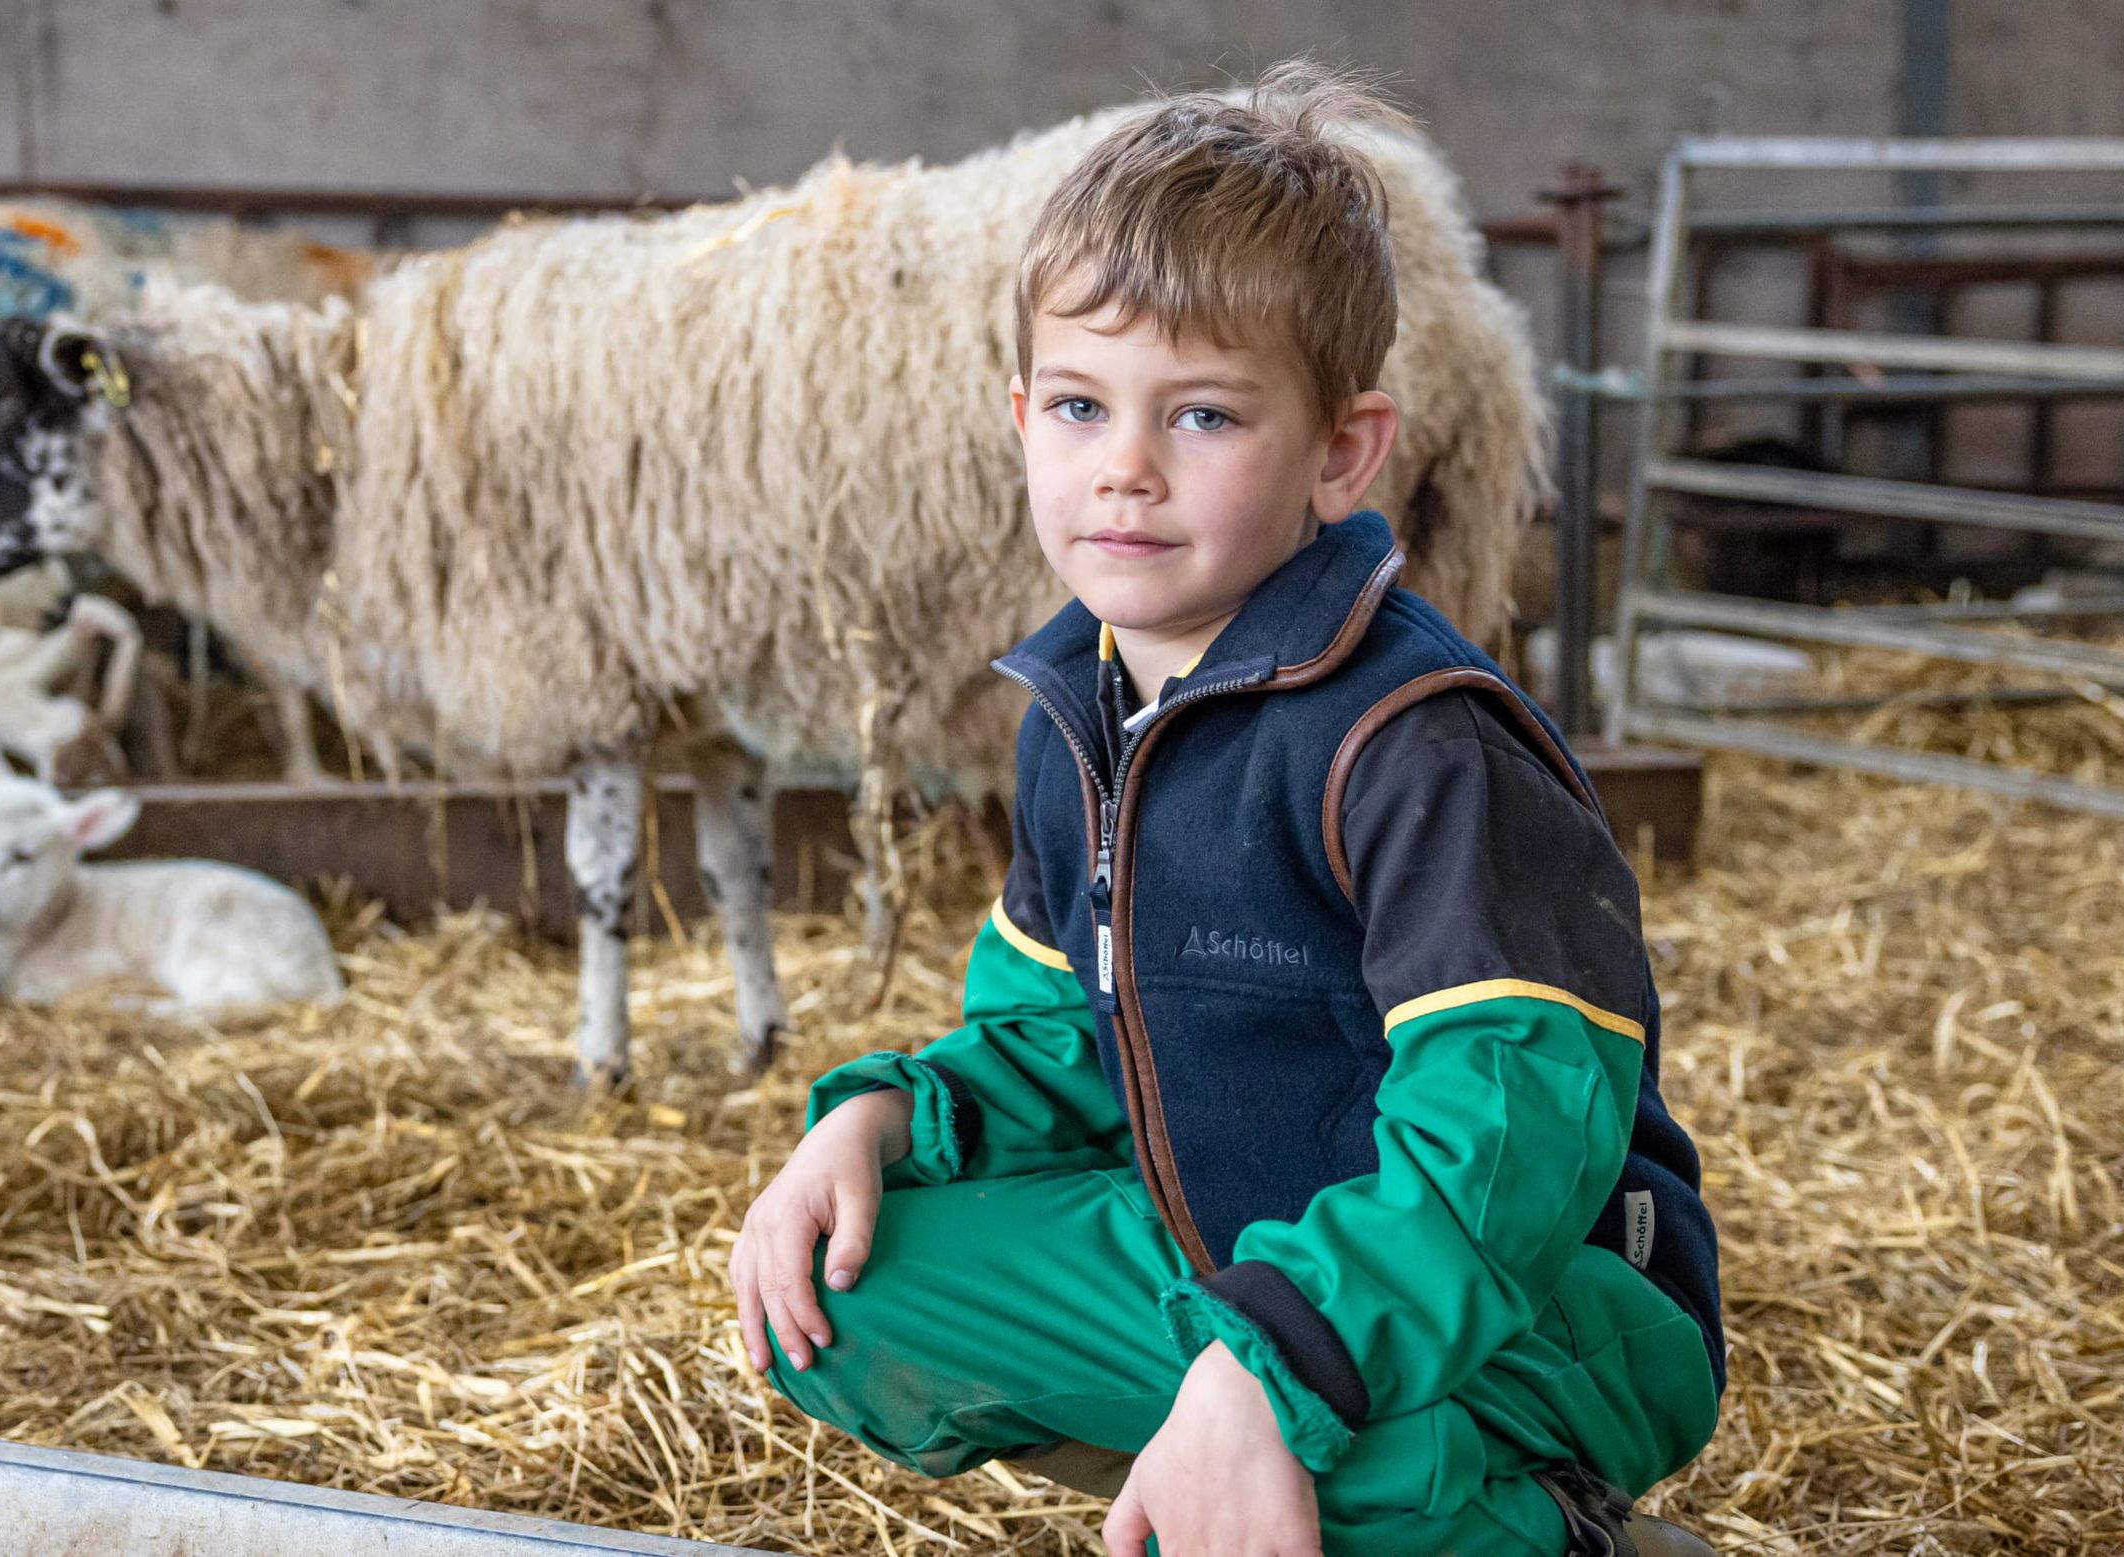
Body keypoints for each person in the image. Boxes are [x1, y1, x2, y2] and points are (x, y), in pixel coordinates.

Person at [728, 59, 1724, 1557]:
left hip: (1537, 1299)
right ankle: (1248, 1454)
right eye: (1079, 405)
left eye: (1199, 416)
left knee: (1329, 1437)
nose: (1121, 468)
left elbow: (1507, 1142)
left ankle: (1537, 1523)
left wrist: (1271, 1364)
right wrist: (884, 1113)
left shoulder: (1413, 744)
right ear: (1020, 420)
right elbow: (1057, 1034)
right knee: (837, 1292)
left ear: (1341, 454)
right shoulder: (1082, 708)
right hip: (1237, 1245)